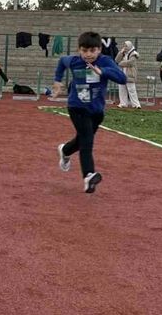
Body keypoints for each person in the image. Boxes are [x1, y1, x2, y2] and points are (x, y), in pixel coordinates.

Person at [53, 31, 127, 194]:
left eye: (92, 51)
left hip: (96, 110)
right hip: (77, 107)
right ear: (79, 50)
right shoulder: (74, 61)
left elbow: (122, 78)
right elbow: (62, 62)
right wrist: (57, 81)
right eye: (84, 51)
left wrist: (103, 72)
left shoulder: (105, 61)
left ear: (99, 49)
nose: (88, 54)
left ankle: (65, 151)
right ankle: (88, 175)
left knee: (81, 140)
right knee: (87, 141)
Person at [116, 40, 141, 109]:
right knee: (122, 89)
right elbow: (116, 60)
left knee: (132, 90)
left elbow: (130, 63)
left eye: (126, 46)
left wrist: (121, 63)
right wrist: (121, 52)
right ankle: (123, 103)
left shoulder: (134, 54)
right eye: (124, 46)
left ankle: (136, 105)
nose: (125, 47)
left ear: (129, 46)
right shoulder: (123, 53)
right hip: (122, 73)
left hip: (130, 74)